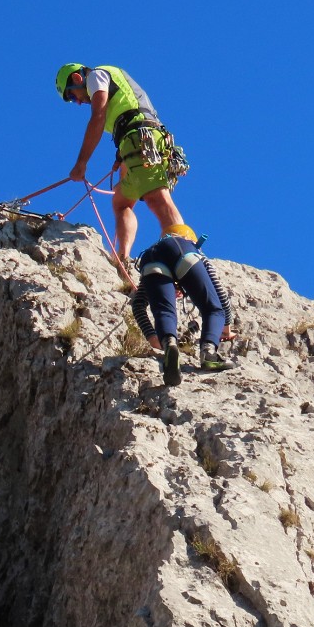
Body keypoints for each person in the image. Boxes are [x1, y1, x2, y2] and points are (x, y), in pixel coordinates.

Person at [55, 63, 194, 262]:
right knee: (121, 202)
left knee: (157, 198)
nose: (76, 102)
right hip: (143, 140)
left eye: (71, 95)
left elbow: (98, 116)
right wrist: (122, 156)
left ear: (77, 79)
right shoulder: (109, 80)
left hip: (139, 138)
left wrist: (81, 163)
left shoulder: (96, 76)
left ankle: (185, 257)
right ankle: (122, 257)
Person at [129, 234, 234, 386]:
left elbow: (138, 305)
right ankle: (209, 353)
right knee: (213, 309)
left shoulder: (155, 249)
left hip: (150, 260)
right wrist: (226, 328)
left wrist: (153, 337)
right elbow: (220, 296)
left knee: (164, 311)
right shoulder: (194, 249)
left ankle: (169, 343)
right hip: (183, 253)